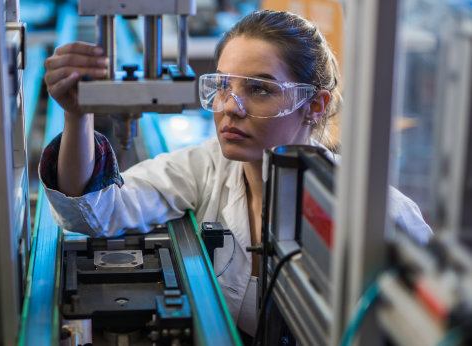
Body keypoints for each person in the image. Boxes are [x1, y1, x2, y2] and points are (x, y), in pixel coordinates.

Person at [39, 10, 432, 339]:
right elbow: (94, 212)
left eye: (259, 89)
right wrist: (78, 114)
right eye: (223, 86)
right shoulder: (206, 167)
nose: (230, 107)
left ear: (315, 105)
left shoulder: (384, 217)